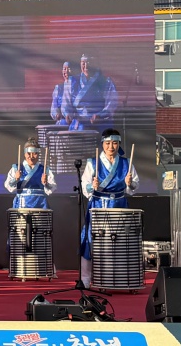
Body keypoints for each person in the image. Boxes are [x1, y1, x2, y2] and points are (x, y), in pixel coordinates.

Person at [79, 128, 139, 287]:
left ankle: (119, 276)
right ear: (102, 144)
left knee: (120, 241)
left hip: (119, 205)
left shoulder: (126, 163)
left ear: (119, 144)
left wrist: (130, 183)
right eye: (107, 143)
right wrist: (92, 186)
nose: (111, 147)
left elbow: (133, 187)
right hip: (98, 204)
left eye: (114, 143)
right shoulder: (93, 163)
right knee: (91, 239)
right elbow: (85, 186)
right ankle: (86, 278)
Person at [65, 54, 119, 131]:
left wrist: (100, 115)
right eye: (83, 63)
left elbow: (111, 104)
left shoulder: (106, 82)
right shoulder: (71, 81)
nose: (86, 66)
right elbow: (66, 103)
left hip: (100, 121)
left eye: (89, 62)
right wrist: (67, 114)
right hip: (79, 123)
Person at [4, 137, 56, 209]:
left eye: (34, 154)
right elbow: (8, 185)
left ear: (38, 154)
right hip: (21, 204)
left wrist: (46, 183)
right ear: (25, 154)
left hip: (40, 205)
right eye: (28, 154)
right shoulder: (16, 168)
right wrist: (15, 179)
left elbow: (52, 188)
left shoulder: (45, 170)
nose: (31, 157)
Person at [50, 61, 77, 126]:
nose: (66, 71)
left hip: (76, 122)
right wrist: (56, 114)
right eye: (64, 69)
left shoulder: (78, 86)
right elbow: (54, 105)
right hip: (62, 122)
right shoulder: (58, 88)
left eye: (69, 69)